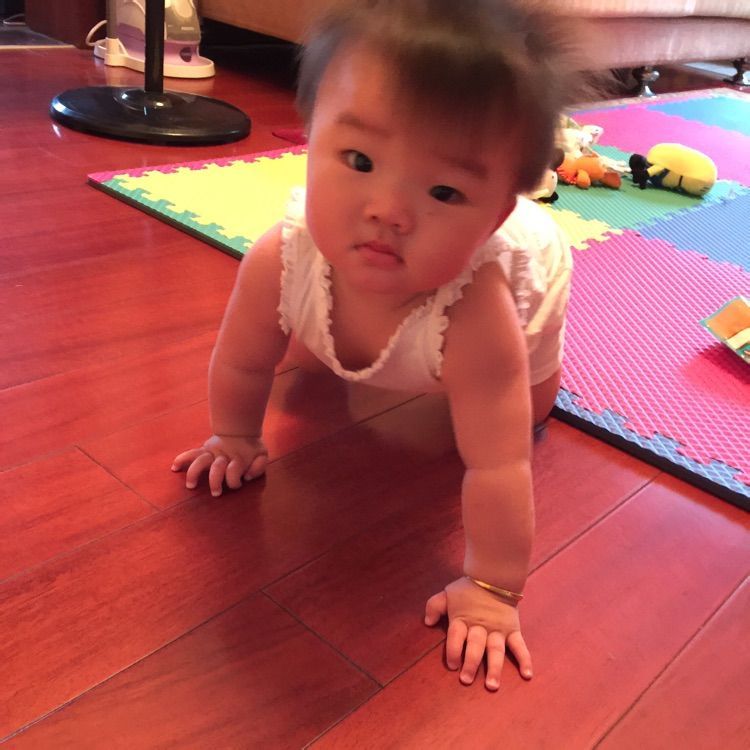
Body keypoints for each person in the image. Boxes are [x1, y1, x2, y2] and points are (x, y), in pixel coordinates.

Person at [173, 0, 576, 691]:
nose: (389, 210)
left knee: (523, 414)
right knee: (310, 359)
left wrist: (492, 587)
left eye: (445, 190)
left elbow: (500, 468)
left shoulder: (481, 317)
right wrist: (234, 435)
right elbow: (242, 359)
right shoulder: (281, 259)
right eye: (359, 159)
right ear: (308, 141)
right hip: (369, 314)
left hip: (529, 287)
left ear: (493, 219)